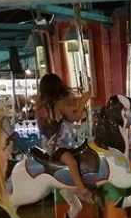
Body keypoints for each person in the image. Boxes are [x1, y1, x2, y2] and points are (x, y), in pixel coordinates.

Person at [33, 73, 94, 201]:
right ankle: (82, 191)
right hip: (58, 145)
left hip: (49, 144)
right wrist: (83, 100)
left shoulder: (41, 105)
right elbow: (76, 117)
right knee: (72, 162)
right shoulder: (59, 105)